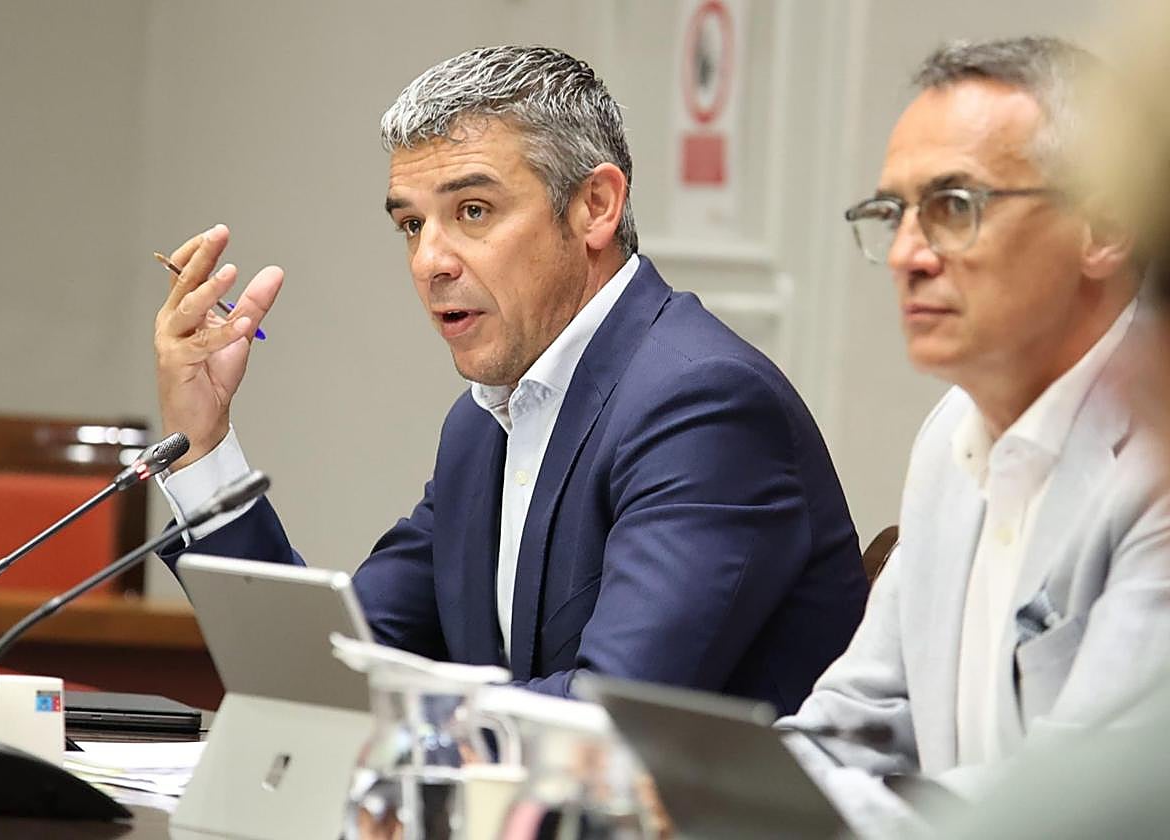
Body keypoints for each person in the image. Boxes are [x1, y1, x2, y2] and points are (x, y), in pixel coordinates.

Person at [151, 45, 867, 708]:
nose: (430, 261)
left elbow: (611, 716)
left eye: (472, 211)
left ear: (595, 207)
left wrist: (414, 713)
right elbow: (332, 668)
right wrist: (204, 444)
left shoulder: (703, 405)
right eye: (411, 224)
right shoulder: (484, 422)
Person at [779, 35, 1170, 795]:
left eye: (954, 206)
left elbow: (1073, 804)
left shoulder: (1156, 463)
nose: (906, 253)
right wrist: (719, 792)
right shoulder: (951, 434)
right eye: (893, 212)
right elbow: (857, 717)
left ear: (1105, 228)